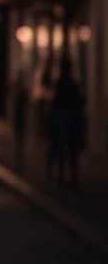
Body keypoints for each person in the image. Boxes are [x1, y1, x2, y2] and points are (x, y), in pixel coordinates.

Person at [46, 52, 85, 187]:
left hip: (63, 119)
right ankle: (68, 177)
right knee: (67, 150)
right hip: (68, 119)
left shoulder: (61, 83)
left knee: (61, 149)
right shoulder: (71, 83)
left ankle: (61, 176)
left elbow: (55, 102)